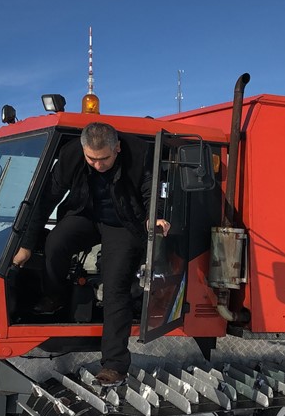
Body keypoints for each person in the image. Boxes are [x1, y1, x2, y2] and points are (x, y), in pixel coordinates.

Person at [12, 122, 169, 386]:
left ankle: (114, 365)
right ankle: (55, 297)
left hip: (124, 223)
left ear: (117, 147)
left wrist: (156, 217)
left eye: (104, 159)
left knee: (115, 284)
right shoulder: (72, 155)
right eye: (91, 159)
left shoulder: (140, 153)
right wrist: (26, 244)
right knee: (56, 243)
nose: (97, 165)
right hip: (85, 214)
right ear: (84, 150)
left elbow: (152, 191)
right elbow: (46, 199)